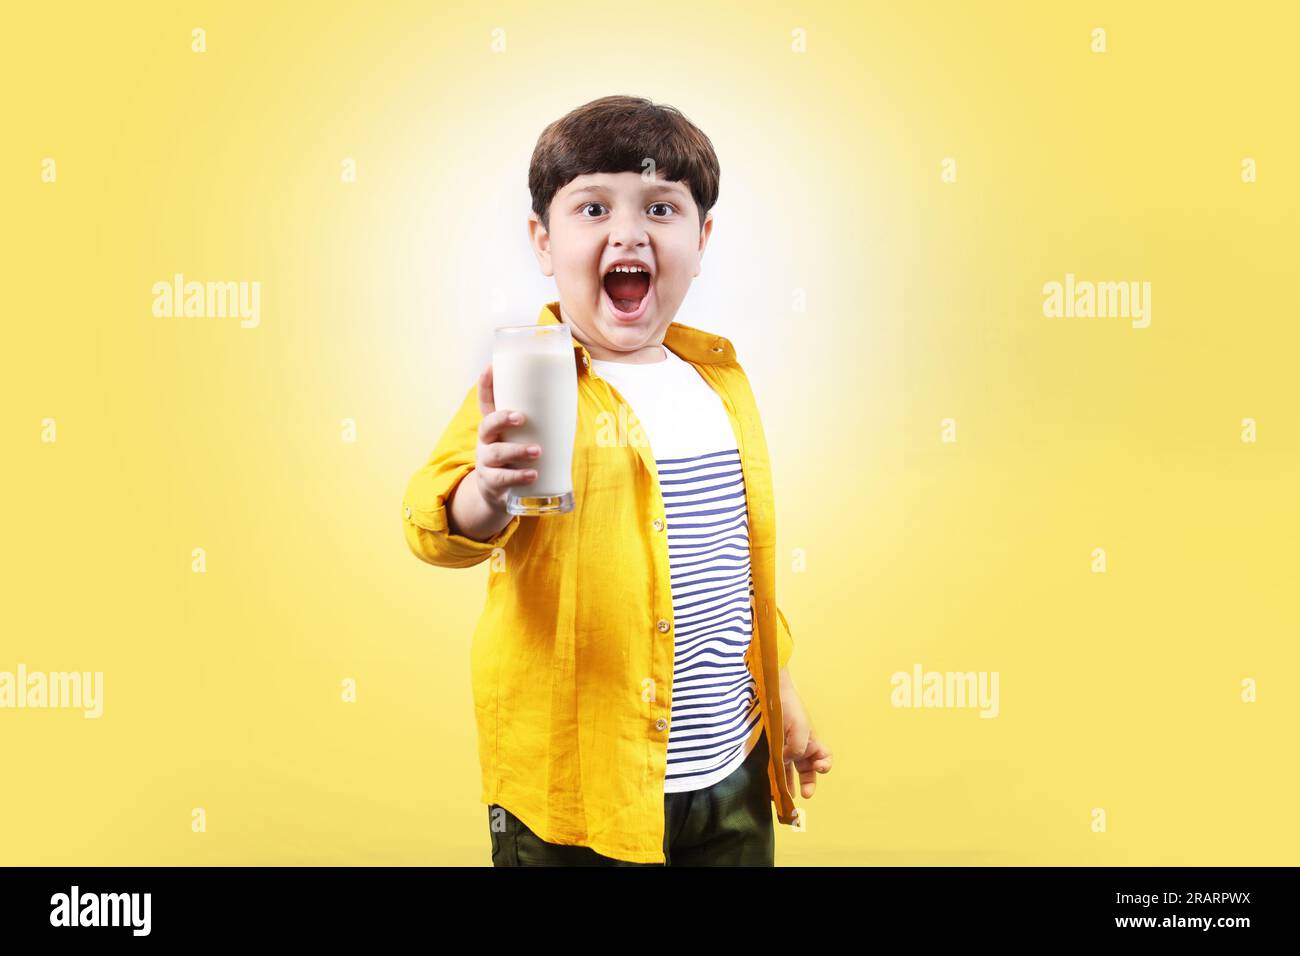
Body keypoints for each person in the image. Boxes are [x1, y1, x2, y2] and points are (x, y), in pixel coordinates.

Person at [402, 95, 832, 865]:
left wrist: (783, 690)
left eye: (661, 209)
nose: (628, 232)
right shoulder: (531, 381)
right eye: (593, 207)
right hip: (574, 788)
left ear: (701, 241)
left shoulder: (720, 383)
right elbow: (431, 526)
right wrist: (489, 492)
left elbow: (735, 573)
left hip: (729, 770)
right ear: (543, 240)